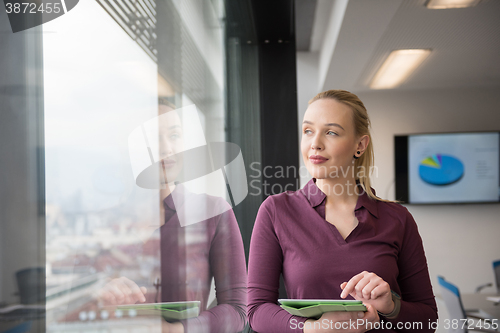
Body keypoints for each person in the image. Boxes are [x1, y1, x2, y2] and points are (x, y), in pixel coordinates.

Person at [247, 90, 438, 333]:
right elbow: (256, 310)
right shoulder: (276, 210)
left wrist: (391, 307)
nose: (315, 143)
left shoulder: (398, 219)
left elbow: (428, 321)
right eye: (308, 131)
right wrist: (311, 329)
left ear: (360, 145)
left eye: (331, 132)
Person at [99, 100, 247, 333]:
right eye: (153, 137)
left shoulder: (214, 212)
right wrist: (99, 292)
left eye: (174, 135)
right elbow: (74, 303)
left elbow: (238, 310)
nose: (166, 147)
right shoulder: (104, 222)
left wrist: (173, 331)